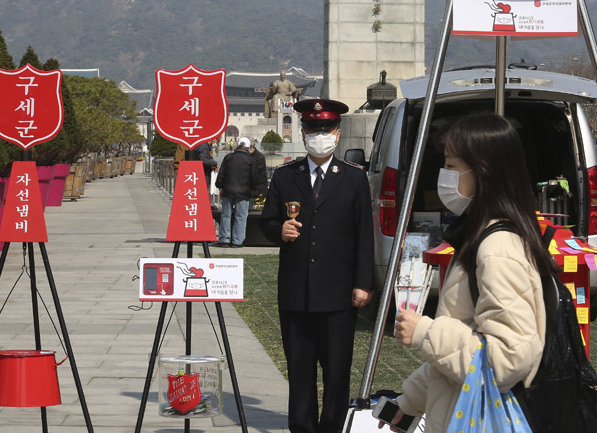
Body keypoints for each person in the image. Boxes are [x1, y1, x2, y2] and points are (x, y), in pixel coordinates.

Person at [383, 114, 551, 433]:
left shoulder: (498, 249)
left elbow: (507, 359)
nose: (444, 176)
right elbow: (460, 353)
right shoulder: (480, 237)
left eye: (451, 165)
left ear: (483, 171)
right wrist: (410, 401)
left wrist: (426, 332)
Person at [259, 99, 374, 432]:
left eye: (325, 129)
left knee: (337, 369)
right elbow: (267, 221)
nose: (318, 136)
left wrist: (363, 283)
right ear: (303, 133)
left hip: (338, 292)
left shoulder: (353, 178)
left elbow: (364, 235)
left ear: (337, 133)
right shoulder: (286, 176)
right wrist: (279, 231)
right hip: (296, 291)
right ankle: (302, 425)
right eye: (312, 129)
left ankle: (333, 425)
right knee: (300, 368)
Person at [214, 137, 258, 248]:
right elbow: (254, 178)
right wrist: (253, 190)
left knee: (226, 215)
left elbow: (221, 174)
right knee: (241, 217)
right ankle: (237, 241)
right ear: (248, 147)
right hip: (243, 192)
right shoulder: (251, 160)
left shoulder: (228, 157)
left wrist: (220, 186)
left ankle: (224, 239)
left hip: (228, 190)